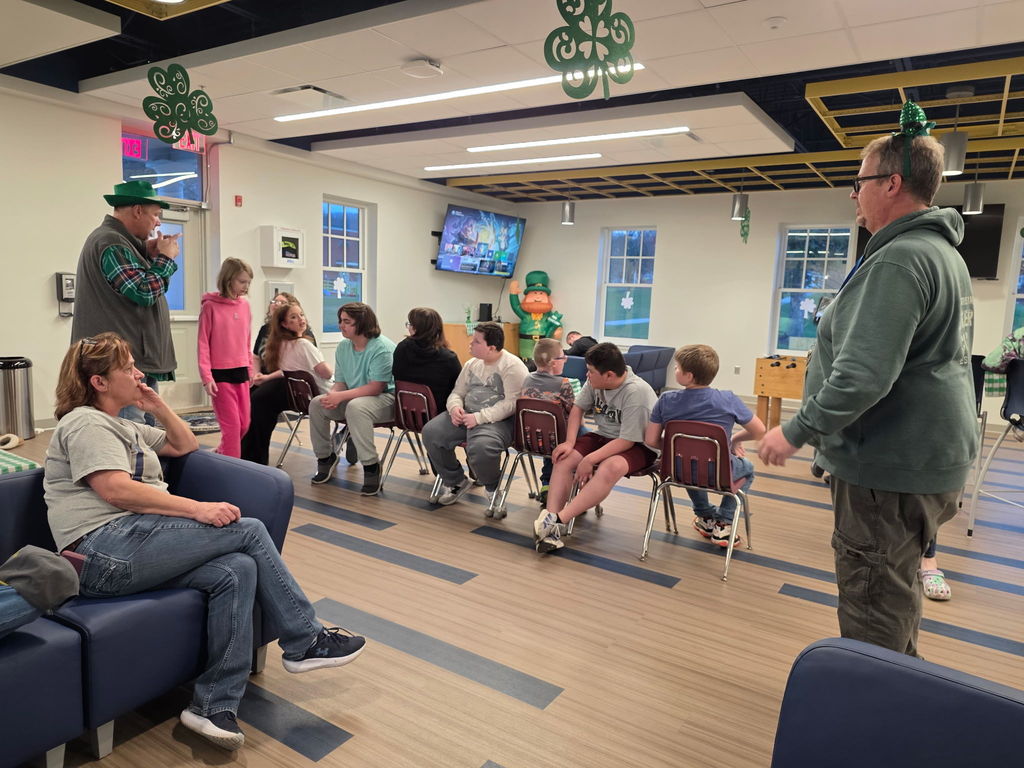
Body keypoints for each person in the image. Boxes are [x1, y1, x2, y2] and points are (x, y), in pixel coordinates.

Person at [43, 333, 365, 751]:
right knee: (247, 530)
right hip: (103, 549)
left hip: (132, 545)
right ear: (99, 382)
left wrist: (156, 405)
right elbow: (116, 492)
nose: (139, 374)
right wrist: (197, 509)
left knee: (238, 569)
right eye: (127, 369)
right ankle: (305, 639)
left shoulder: (124, 424)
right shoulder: (86, 422)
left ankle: (211, 705)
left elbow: (185, 443)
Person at [758, 103, 977, 657]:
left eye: (858, 182)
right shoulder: (940, 252)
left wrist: (794, 431)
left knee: (873, 604)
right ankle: (903, 696)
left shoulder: (897, 261)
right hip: (926, 458)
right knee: (895, 592)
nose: (853, 194)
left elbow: (862, 376)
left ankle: (882, 723)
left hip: (889, 465)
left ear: (892, 183)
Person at [71, 180, 180, 425]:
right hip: (119, 371)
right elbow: (143, 291)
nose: (158, 222)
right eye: (155, 214)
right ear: (137, 211)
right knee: (129, 443)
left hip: (129, 366)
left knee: (142, 443)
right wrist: (165, 259)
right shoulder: (111, 243)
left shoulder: (117, 242)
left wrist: (144, 250)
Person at [533, 343, 657, 553]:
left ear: (609, 375)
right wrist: (570, 442)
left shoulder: (635, 391)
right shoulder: (595, 381)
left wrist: (590, 459)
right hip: (604, 436)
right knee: (564, 457)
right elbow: (577, 409)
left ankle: (558, 521)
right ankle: (551, 524)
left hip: (639, 444)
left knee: (611, 466)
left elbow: (627, 441)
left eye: (590, 371)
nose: (587, 375)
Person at [644, 344, 765, 547]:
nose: (674, 370)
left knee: (689, 461)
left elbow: (651, 440)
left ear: (688, 376)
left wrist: (676, 450)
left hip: (677, 471)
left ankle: (705, 516)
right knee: (748, 469)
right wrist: (735, 440)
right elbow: (759, 430)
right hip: (718, 473)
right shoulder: (727, 399)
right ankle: (724, 523)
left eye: (677, 367)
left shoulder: (665, 400)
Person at [422, 322, 528, 506]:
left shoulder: (513, 366)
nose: (471, 344)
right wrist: (454, 407)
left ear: (491, 348)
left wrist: (479, 418)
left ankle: (492, 489)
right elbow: (457, 392)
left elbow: (513, 403)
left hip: (496, 421)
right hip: (466, 415)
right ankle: (455, 481)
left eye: (476, 341)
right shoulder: (472, 364)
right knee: (431, 433)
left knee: (482, 448)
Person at [309, 303, 396, 495]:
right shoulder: (343, 347)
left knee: (356, 407)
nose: (341, 325)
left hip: (386, 399)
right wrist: (333, 395)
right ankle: (325, 457)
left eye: (347, 322)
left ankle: (371, 465)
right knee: (317, 403)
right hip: (356, 397)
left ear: (362, 323)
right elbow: (341, 381)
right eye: (340, 321)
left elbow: (376, 387)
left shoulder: (382, 348)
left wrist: (340, 396)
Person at [241, 303, 332, 466]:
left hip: (302, 399)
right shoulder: (304, 345)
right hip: (322, 396)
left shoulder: (281, 345)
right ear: (284, 324)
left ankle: (251, 459)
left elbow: (286, 371)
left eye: (301, 315)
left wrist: (266, 379)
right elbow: (326, 373)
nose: (301, 319)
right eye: (294, 317)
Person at [197, 258, 254, 458]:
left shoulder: (245, 306)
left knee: (244, 425)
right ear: (228, 280)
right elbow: (203, 344)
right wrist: (206, 377)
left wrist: (250, 368)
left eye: (248, 282)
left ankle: (220, 455)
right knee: (232, 429)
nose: (246, 286)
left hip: (241, 372)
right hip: (220, 375)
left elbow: (246, 340)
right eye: (242, 281)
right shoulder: (210, 307)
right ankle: (232, 471)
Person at [519, 338, 579, 507]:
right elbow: (573, 411)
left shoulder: (527, 379)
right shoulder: (564, 384)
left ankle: (547, 485)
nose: (565, 360)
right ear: (553, 363)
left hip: (529, 440)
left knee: (548, 433)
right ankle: (572, 488)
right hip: (557, 442)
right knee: (584, 437)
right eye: (563, 357)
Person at [391, 307, 463, 414]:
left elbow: (396, 375)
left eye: (410, 324)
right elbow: (459, 388)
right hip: (438, 415)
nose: (408, 327)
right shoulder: (448, 358)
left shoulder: (402, 349)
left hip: (406, 413)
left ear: (415, 328)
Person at [253, 292, 316, 373]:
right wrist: (255, 375)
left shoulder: (303, 332)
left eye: (282, 303)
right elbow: (256, 357)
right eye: (274, 301)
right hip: (264, 376)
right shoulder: (265, 329)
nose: (276, 304)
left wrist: (267, 378)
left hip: (288, 378)